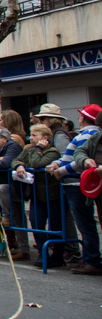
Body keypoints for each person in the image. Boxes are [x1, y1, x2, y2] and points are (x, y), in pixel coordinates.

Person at [47, 104, 101, 272]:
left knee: (85, 224)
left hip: (79, 184)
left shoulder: (90, 134)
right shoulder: (90, 135)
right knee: (83, 223)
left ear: (84, 118)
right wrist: (58, 164)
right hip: (78, 183)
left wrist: (61, 171)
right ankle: (89, 260)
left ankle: (92, 260)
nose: (79, 119)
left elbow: (76, 160)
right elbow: (78, 155)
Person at [12, 125, 64, 268]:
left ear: (45, 138)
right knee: (36, 222)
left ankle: (58, 255)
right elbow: (16, 160)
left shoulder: (52, 152)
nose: (31, 138)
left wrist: (38, 149)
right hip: (37, 194)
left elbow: (36, 164)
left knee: (56, 225)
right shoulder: (29, 148)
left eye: (35, 135)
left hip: (52, 194)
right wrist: (19, 166)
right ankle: (42, 252)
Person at [0, 128, 25, 258]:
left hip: (17, 188)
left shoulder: (13, 146)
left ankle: (25, 250)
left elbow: (6, 164)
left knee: (20, 218)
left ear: (4, 139)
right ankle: (22, 249)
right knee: (17, 218)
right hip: (6, 190)